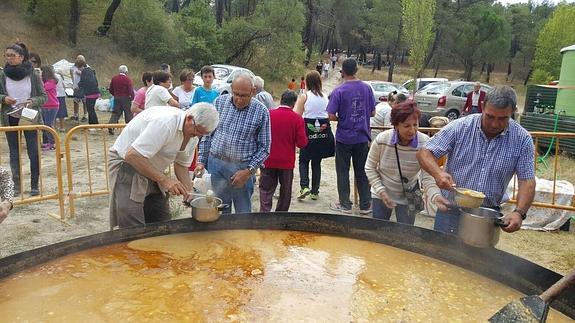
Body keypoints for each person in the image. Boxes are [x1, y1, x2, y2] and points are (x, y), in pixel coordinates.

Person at [417, 85, 535, 234]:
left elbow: (527, 181)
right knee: (441, 254)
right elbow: (424, 152)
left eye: (503, 118)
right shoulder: (460, 127)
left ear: (513, 111)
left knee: (478, 257)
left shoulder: (522, 139)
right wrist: (437, 174)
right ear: (482, 107)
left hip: (487, 214)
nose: (495, 124)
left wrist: (519, 212)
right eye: (490, 116)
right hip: (450, 209)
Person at [108, 103, 219, 229]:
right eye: (198, 131)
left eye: (203, 134)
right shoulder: (165, 124)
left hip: (153, 167)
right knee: (133, 224)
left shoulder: (193, 135)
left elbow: (181, 165)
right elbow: (132, 156)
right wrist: (165, 180)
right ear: (189, 118)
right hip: (128, 165)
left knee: (161, 221)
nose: (198, 136)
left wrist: (189, 191)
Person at [196, 72, 271, 214]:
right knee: (218, 209)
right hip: (216, 165)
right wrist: (201, 161)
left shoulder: (261, 111)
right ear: (231, 88)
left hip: (241, 169)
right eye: (236, 94)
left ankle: (241, 236)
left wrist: (248, 172)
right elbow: (207, 134)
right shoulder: (219, 102)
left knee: (243, 213)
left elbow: (265, 148)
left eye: (244, 95)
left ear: (253, 91)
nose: (239, 99)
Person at [365, 101, 441, 224]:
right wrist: (381, 192)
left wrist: (435, 196)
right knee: (378, 231)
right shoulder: (382, 140)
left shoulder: (425, 144)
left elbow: (428, 177)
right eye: (406, 126)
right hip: (381, 192)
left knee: (406, 233)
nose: (412, 130)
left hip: (408, 195)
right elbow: (370, 168)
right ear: (395, 125)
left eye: (415, 125)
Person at [327, 58, 376, 214]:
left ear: (343, 72)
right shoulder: (367, 88)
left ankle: (345, 204)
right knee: (362, 170)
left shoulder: (339, 91)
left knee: (342, 171)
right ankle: (365, 205)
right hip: (362, 137)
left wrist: (343, 118)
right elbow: (373, 112)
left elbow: (330, 115)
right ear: (356, 70)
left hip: (344, 137)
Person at [0, 42, 46, 196]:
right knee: (14, 152)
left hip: (29, 116)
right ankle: (17, 186)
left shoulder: (33, 74)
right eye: (7, 55)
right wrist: (4, 98)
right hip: (10, 117)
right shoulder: (2, 74)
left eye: (12, 55)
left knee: (33, 151)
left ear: (21, 57)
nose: (9, 58)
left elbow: (43, 96)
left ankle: (34, 185)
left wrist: (32, 101)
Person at [259, 91, 308, 212]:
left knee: (265, 189)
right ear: (294, 103)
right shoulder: (297, 119)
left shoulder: (268, 114)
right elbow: (302, 143)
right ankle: (280, 216)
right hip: (286, 162)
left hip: (268, 159)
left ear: (281, 99)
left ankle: (264, 214)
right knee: (285, 191)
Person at [293, 70, 334, 201]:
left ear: (307, 83)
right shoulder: (325, 96)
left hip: (309, 130)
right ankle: (315, 192)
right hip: (324, 131)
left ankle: (304, 186)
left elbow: (296, 115)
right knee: (317, 162)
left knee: (304, 159)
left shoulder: (305, 96)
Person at [107, 65, 134, 134]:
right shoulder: (128, 79)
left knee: (116, 113)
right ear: (126, 72)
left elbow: (110, 89)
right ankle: (129, 128)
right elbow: (130, 90)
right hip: (126, 98)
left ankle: (111, 126)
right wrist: (132, 98)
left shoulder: (114, 78)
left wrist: (115, 94)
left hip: (116, 98)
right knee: (128, 113)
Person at [40, 65, 59, 151]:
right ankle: (49, 141)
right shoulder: (48, 82)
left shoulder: (51, 82)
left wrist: (39, 78)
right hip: (45, 106)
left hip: (51, 106)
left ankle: (52, 143)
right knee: (46, 125)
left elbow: (42, 88)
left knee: (48, 124)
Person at [70, 55, 87, 122]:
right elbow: (71, 74)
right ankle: (75, 115)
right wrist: (73, 83)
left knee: (85, 101)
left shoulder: (86, 67)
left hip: (84, 87)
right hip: (76, 87)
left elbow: (88, 76)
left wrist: (81, 73)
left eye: (81, 60)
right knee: (75, 101)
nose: (79, 61)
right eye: (78, 60)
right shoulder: (73, 67)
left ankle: (85, 115)